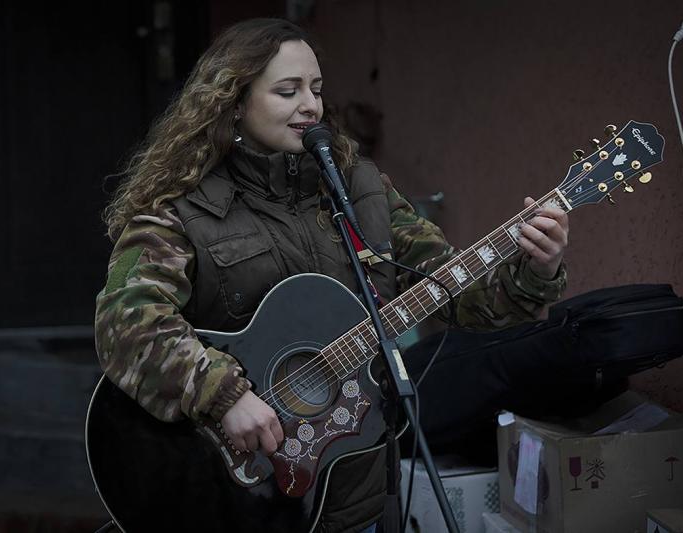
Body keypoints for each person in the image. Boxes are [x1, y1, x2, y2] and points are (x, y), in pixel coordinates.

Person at [95, 18, 568, 533]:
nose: (310, 105)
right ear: (233, 102)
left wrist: (533, 270)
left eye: (316, 89)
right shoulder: (181, 210)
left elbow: (452, 291)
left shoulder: (361, 190)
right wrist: (223, 394)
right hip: (225, 499)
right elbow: (127, 321)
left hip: (359, 497)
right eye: (287, 90)